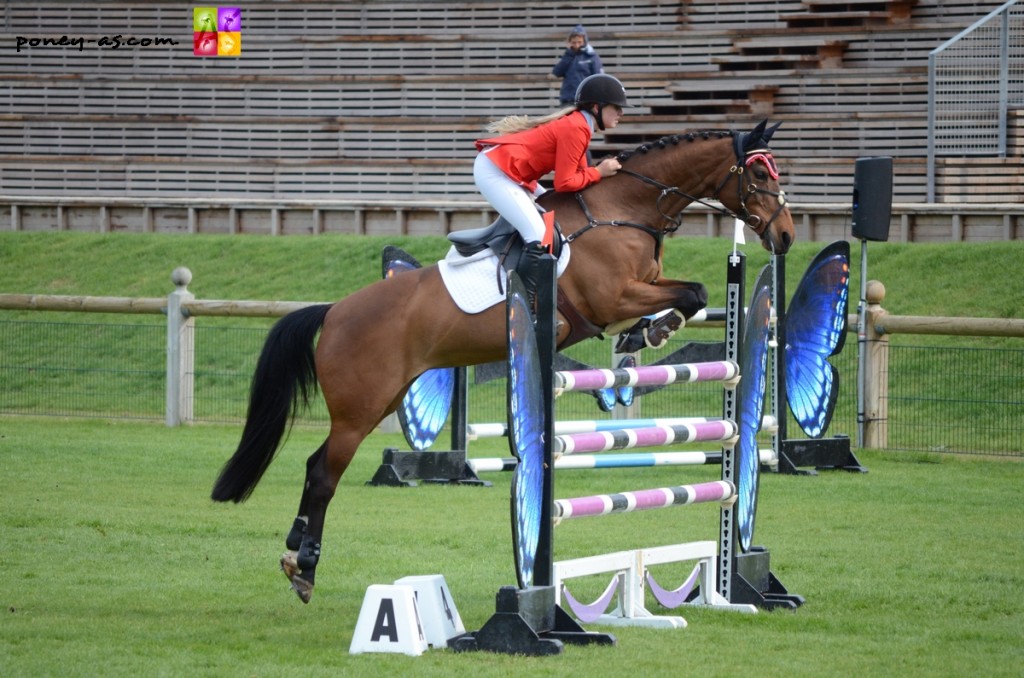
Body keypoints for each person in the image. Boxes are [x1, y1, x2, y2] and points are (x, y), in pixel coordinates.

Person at [473, 73, 628, 305]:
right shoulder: (576, 127)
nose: (621, 113)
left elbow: (579, 179)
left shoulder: (580, 125)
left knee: (553, 214)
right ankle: (524, 303)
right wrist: (600, 171)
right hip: (496, 171)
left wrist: (597, 174)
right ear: (597, 107)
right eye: (616, 107)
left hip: (510, 171)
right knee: (538, 235)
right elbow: (565, 183)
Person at [551, 25, 604, 106]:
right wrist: (569, 54)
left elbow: (598, 78)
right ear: (570, 42)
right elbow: (556, 72)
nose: (577, 45)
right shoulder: (568, 56)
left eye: (579, 42)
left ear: (584, 41)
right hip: (568, 100)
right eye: (574, 42)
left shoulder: (591, 56)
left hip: (585, 100)